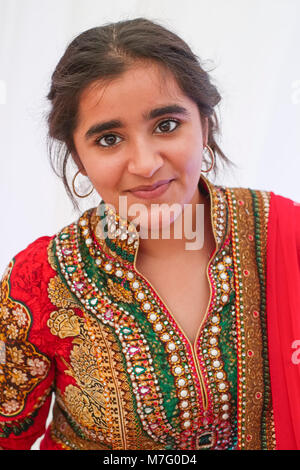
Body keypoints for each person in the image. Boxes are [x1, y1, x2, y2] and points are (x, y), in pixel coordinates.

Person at [0, 18, 300, 451]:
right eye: (108, 139)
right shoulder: (39, 281)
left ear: (205, 125)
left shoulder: (284, 236)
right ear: (79, 159)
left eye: (166, 125)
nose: (144, 163)